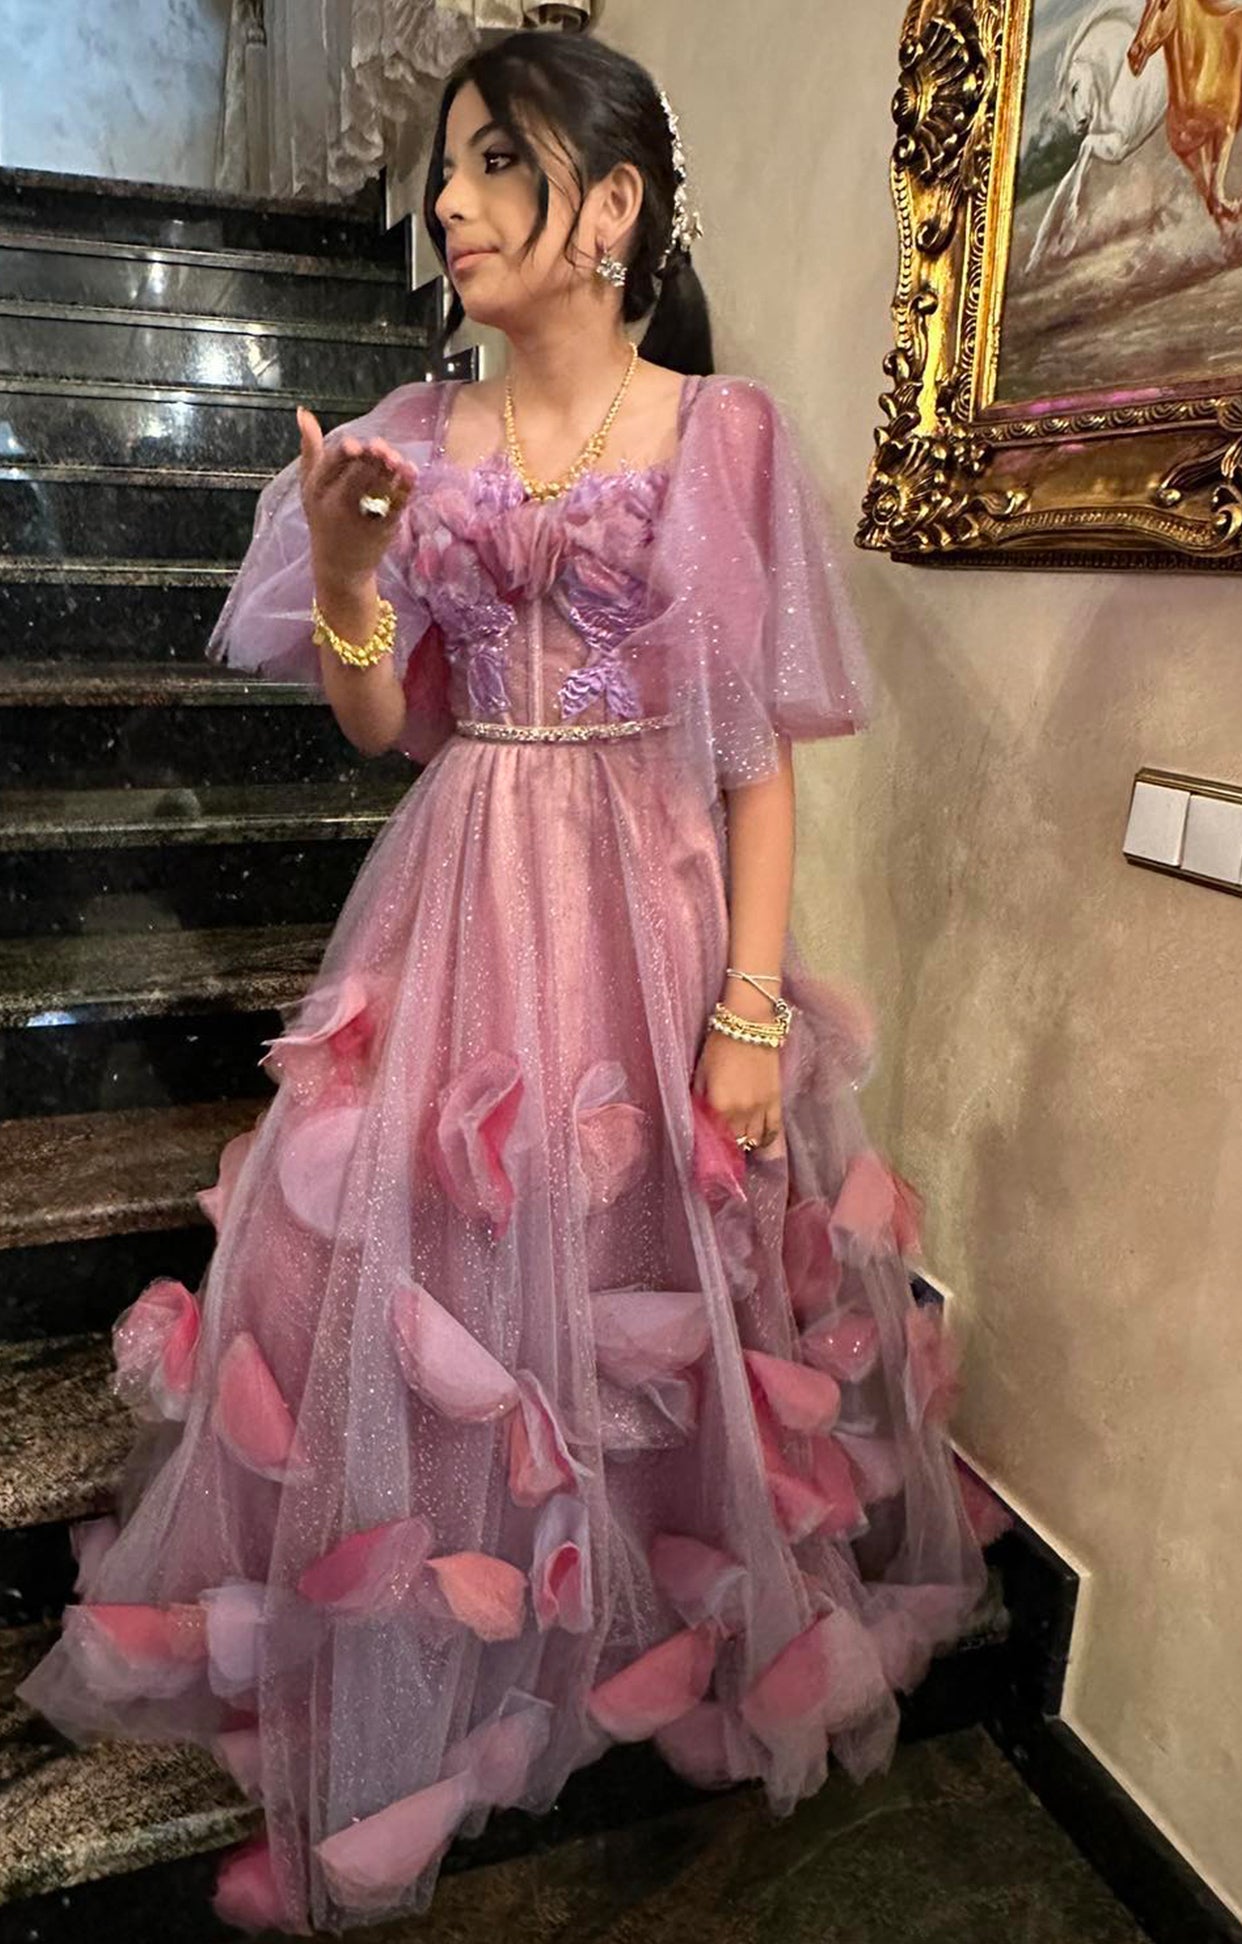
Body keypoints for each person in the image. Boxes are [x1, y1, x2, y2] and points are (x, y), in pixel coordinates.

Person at [16, 29, 988, 1936]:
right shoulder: (416, 427)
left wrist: (751, 1008)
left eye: (490, 165)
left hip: (655, 906)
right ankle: (447, 1618)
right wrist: (349, 572)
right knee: (448, 1243)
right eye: (445, 168)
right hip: (466, 884)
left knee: (643, 1239)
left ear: (608, 206)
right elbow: (390, 724)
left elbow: (753, 757)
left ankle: (630, 1586)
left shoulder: (720, 435)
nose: (445, 205)